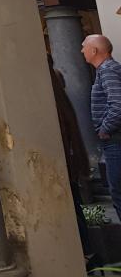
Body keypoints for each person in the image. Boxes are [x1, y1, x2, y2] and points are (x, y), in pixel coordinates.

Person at [48, 55, 92, 261]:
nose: (82, 50)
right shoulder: (56, 90)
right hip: (67, 159)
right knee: (74, 204)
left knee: (71, 206)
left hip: (60, 160)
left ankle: (81, 251)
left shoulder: (50, 94)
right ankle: (85, 250)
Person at [83, 34, 121, 220]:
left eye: (84, 47)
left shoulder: (107, 70)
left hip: (116, 140)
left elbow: (118, 105)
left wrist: (105, 128)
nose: (82, 50)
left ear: (94, 50)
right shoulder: (106, 70)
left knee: (118, 191)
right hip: (114, 140)